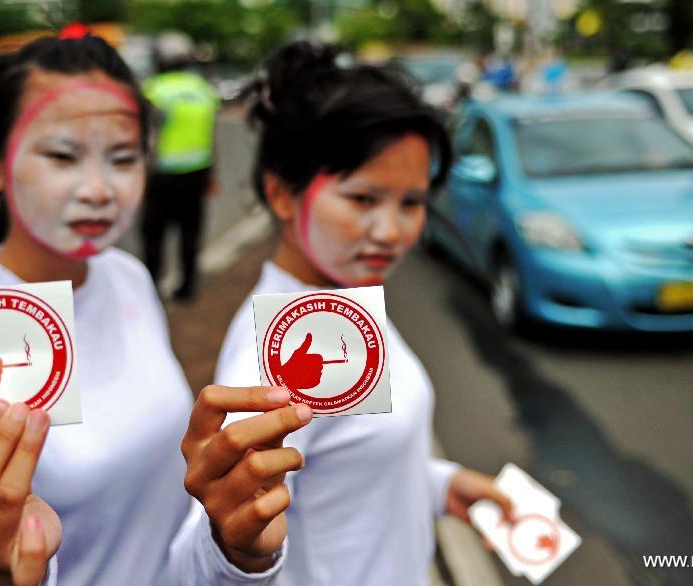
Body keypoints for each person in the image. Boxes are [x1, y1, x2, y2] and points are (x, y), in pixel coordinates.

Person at [0, 33, 304, 585]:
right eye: (62, 156)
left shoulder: (127, 276)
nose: (98, 189)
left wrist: (237, 550)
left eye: (122, 158)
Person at [196, 41, 515, 585]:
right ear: (281, 193)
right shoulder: (276, 363)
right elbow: (205, 553)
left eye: (411, 202)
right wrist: (240, 552)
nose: (391, 233)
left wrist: (436, 485)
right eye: (363, 199)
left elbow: (347, 463)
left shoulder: (343, 306)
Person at [141, 32, 220, 301]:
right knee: (190, 233)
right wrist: (212, 173)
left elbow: (147, 136)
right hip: (197, 171)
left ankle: (152, 289)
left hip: (161, 175)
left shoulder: (153, 89)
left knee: (154, 235)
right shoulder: (202, 89)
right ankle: (187, 288)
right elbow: (211, 135)